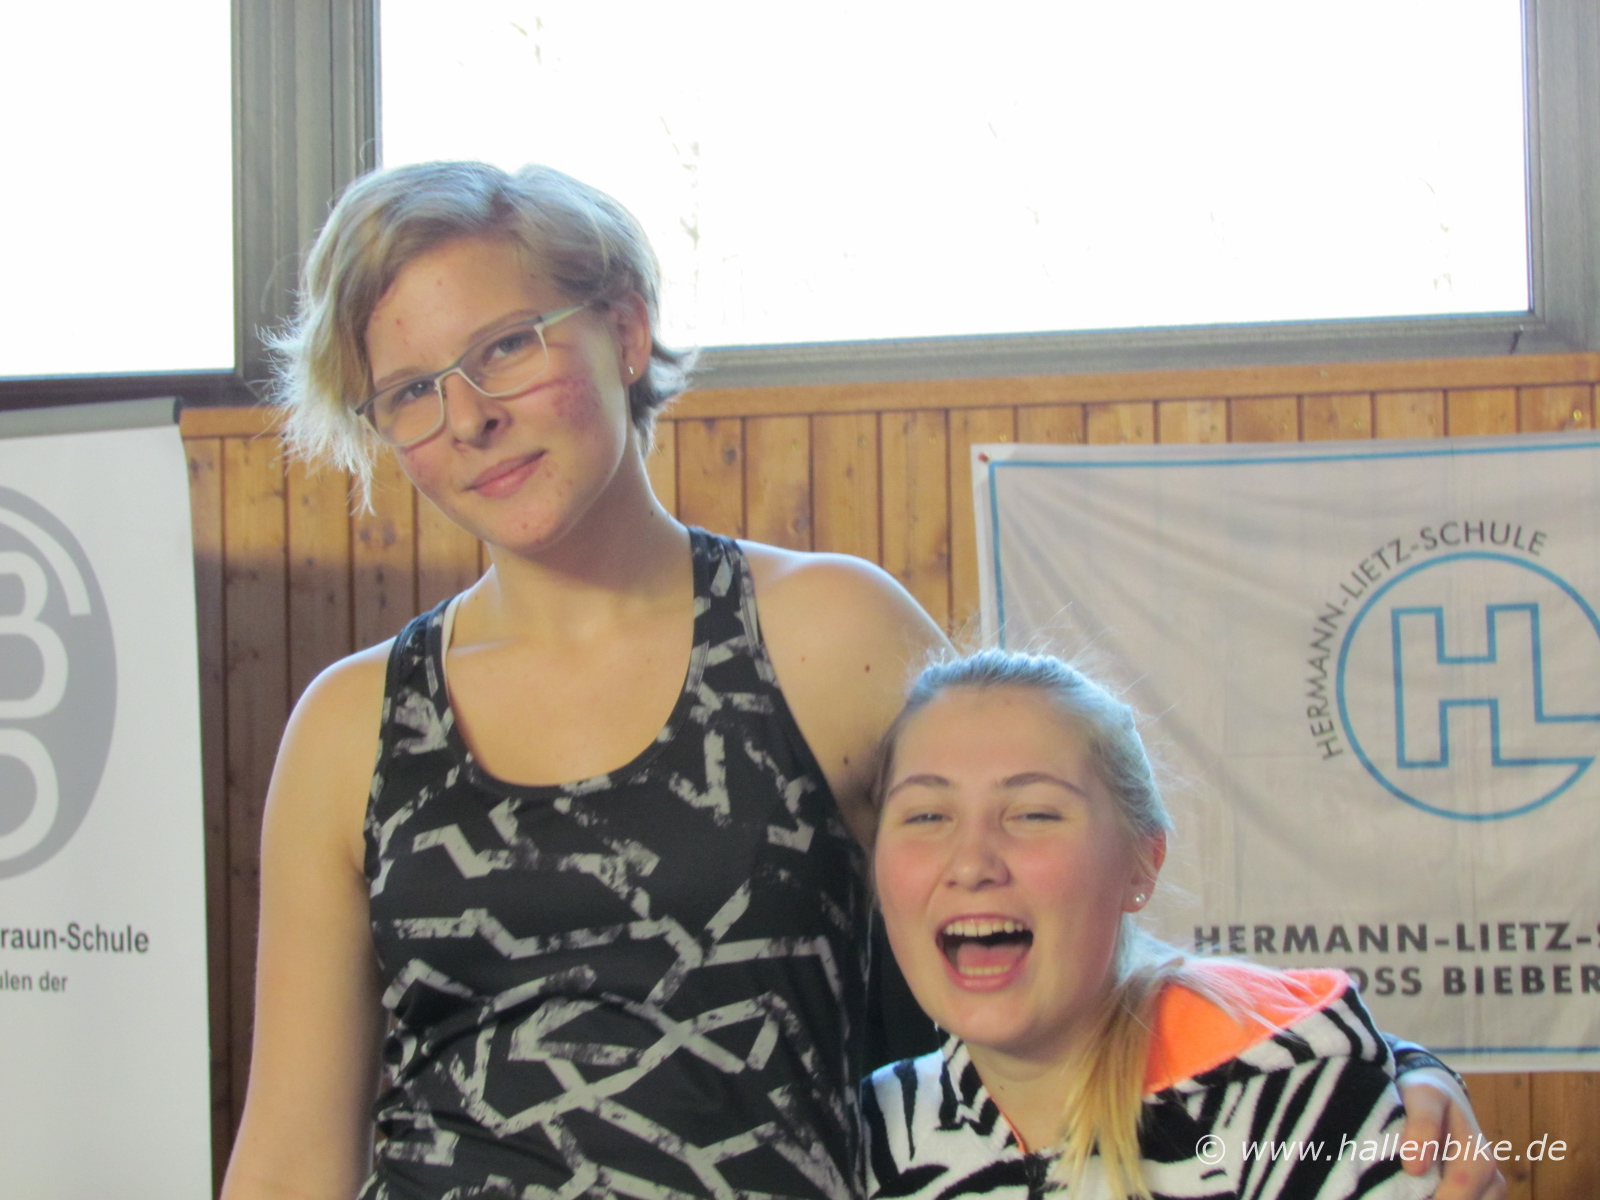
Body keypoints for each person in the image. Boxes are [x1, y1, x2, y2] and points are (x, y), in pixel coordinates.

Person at [219, 160, 1497, 1200]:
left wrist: (1372, 1080)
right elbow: (287, 1159)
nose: (469, 417)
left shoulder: (823, 632)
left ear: (624, 328)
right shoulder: (351, 726)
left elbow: (1053, 901)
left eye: (506, 346)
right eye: (412, 392)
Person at [864, 651, 1502, 1200]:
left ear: (1141, 864)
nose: (971, 863)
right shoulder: (858, 1134)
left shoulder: (1307, 1119)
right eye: (926, 816)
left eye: (1033, 814)